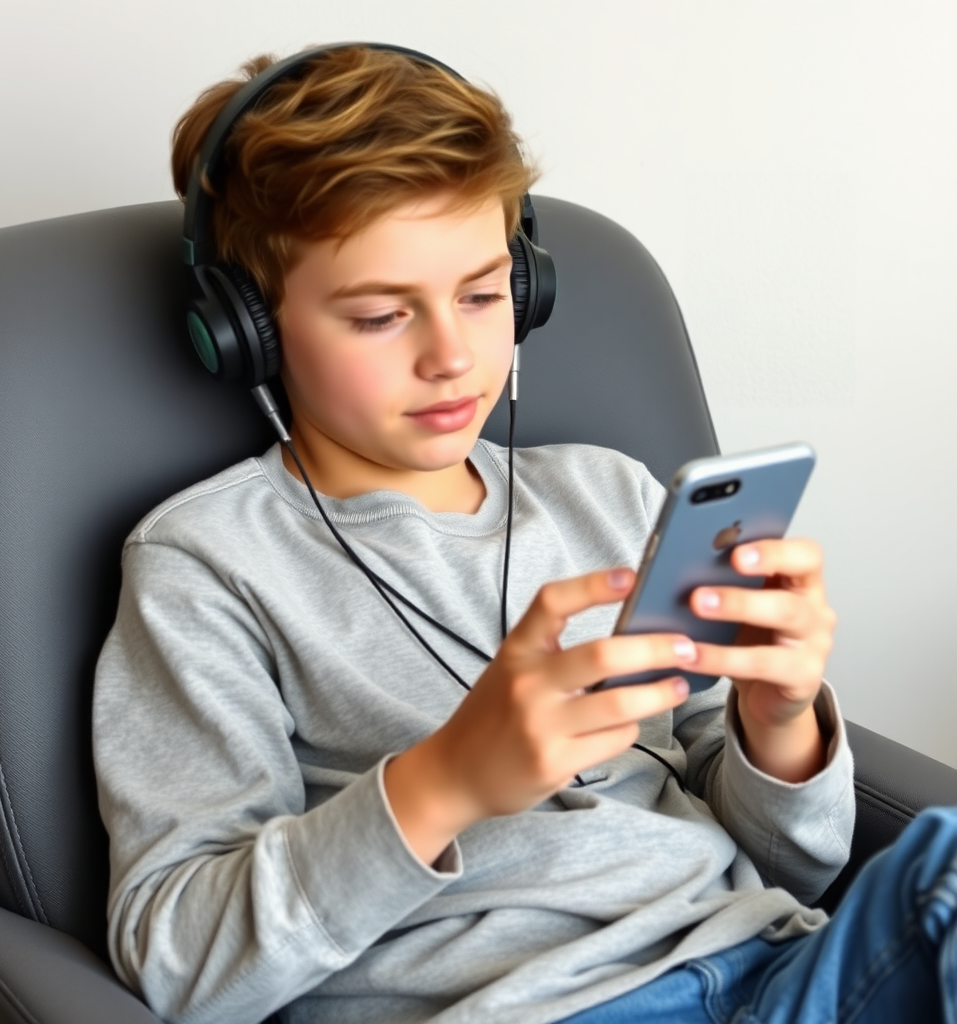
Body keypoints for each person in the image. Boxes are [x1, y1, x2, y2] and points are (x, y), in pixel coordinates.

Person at [93, 43, 957, 1024]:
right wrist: (443, 782)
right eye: (380, 316)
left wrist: (777, 721)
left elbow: (794, 864)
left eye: (480, 293)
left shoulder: (607, 494)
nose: (452, 356)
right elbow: (178, 963)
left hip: (775, 971)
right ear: (247, 326)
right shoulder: (207, 566)